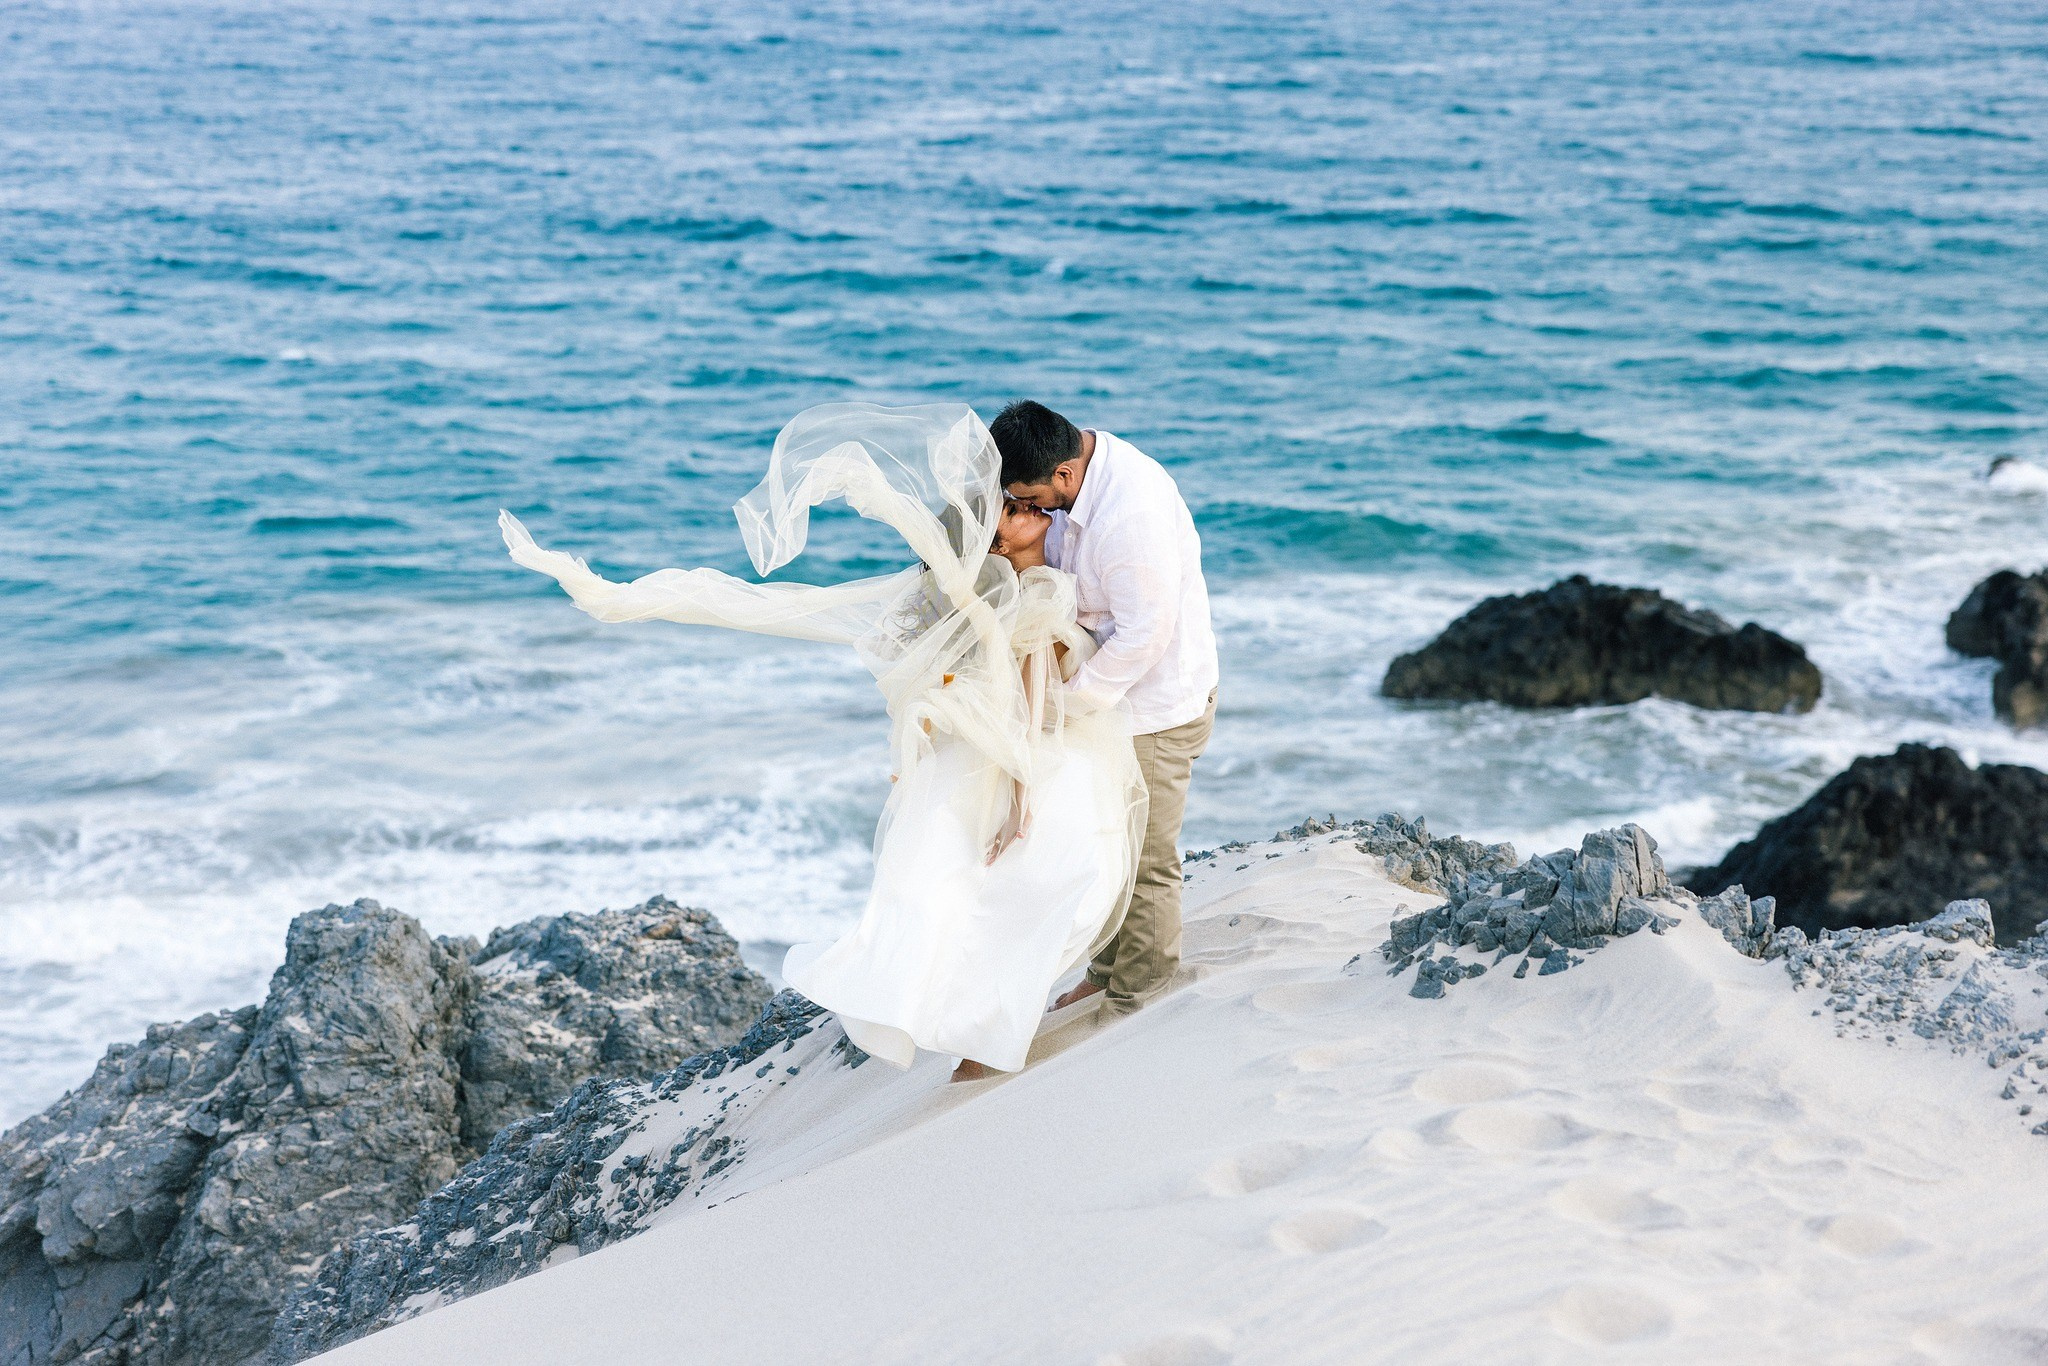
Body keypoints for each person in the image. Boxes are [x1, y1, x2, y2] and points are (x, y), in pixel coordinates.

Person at [498, 403, 1146, 1083]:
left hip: (989, 763)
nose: (1029, 509)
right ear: (997, 544)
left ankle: (976, 1035)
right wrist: (1021, 804)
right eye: (1015, 510)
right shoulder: (1030, 601)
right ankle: (981, 1044)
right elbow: (1029, 719)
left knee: (991, 898)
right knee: (1033, 891)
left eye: (1025, 502)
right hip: (1021, 766)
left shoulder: (1005, 594)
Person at [993, 400, 1219, 1019]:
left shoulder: (1130, 514)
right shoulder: (1072, 480)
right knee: (1107, 843)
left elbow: (1146, 635)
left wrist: (1066, 706)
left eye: (1033, 498)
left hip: (1153, 708)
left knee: (1145, 859)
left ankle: (1138, 995)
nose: (1032, 510)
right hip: (1108, 705)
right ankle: (1107, 967)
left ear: (1064, 474)